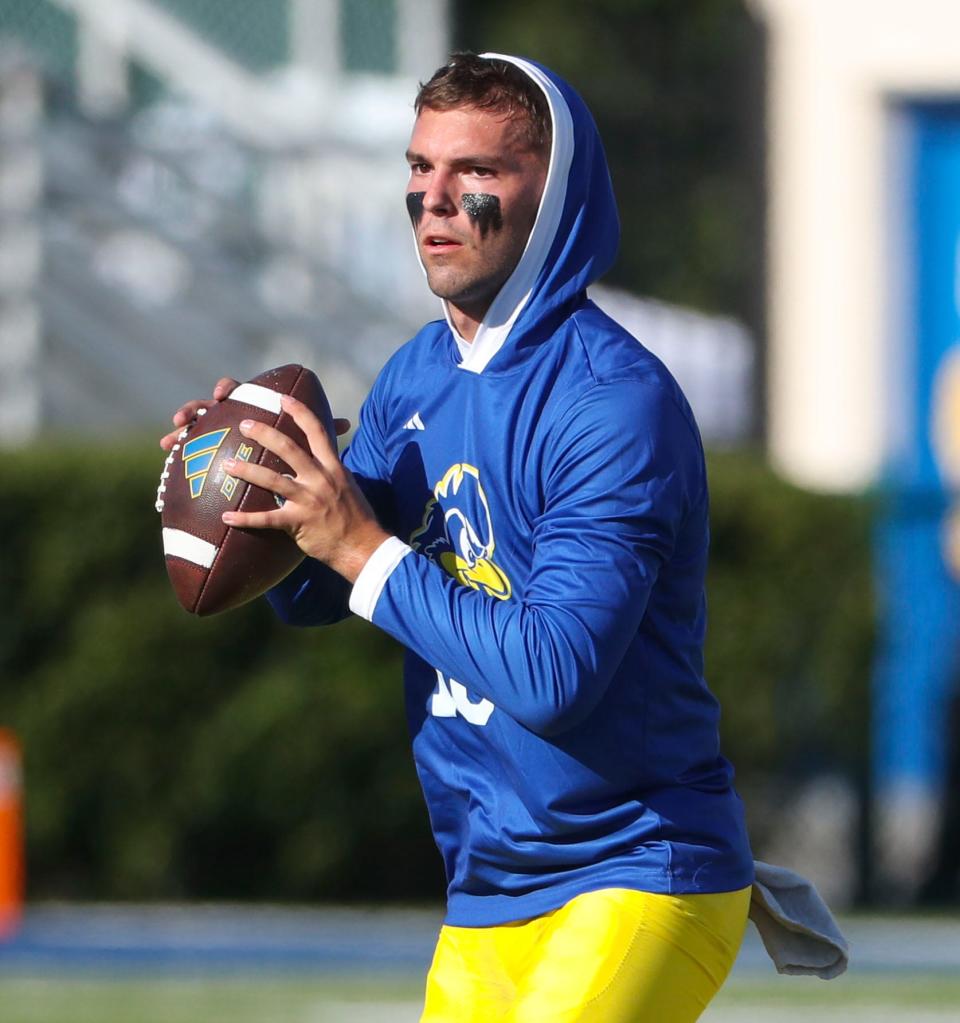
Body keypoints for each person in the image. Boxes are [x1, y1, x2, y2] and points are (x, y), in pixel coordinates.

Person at [161, 52, 755, 1022]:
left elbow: (552, 676)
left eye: (475, 172)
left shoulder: (614, 403)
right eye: (419, 168)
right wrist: (255, 494)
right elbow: (316, 592)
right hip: (489, 886)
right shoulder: (416, 375)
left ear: (553, 193)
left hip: (637, 869)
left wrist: (357, 543)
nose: (434, 199)